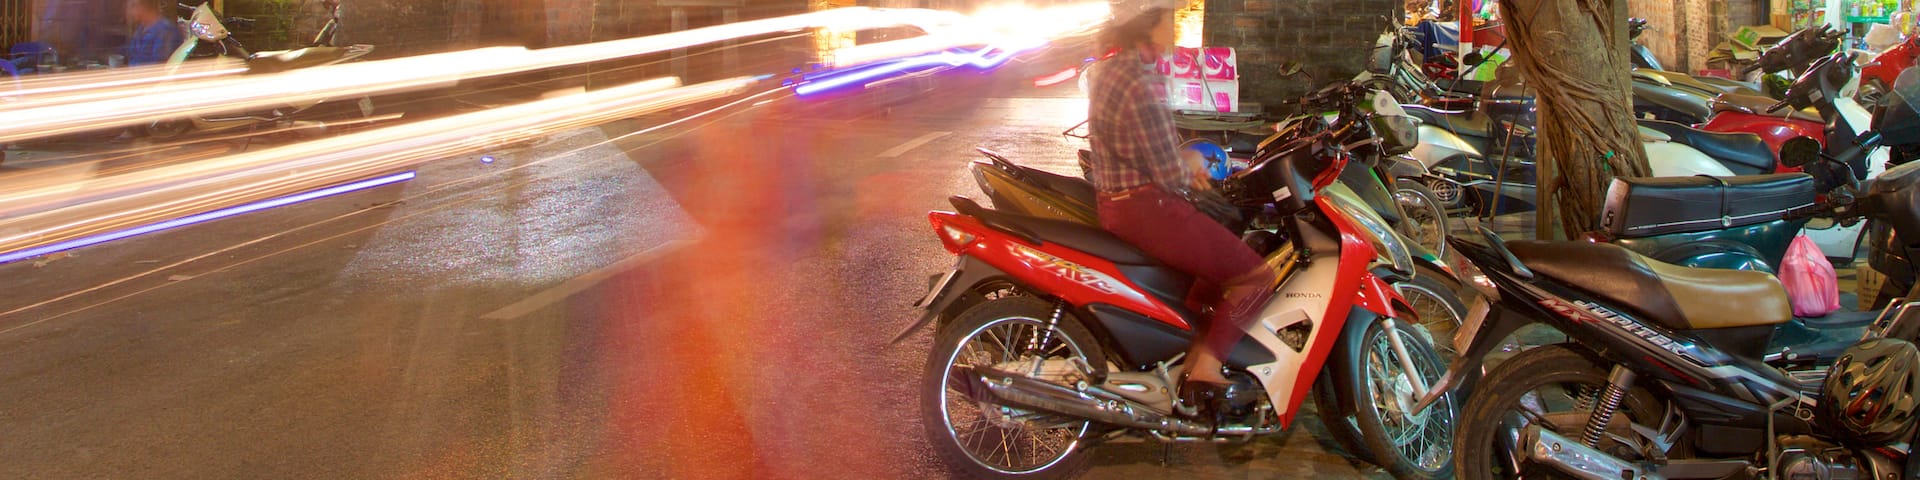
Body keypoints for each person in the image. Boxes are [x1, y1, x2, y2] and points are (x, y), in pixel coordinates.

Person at [1086, 0, 1276, 419]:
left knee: (1208, 278)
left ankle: (1187, 357)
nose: (1173, 28)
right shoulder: (1138, 80)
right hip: (1146, 207)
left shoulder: (1111, 69)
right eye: (1169, 19)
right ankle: (1207, 368)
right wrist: (1190, 164)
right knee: (1256, 278)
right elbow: (1165, 168)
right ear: (1148, 24)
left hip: (1121, 203)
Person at [124, 0, 181, 67]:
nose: (129, 11)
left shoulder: (166, 31)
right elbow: (132, 53)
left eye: (133, 6)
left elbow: (159, 66)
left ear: (144, 6)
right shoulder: (141, 28)